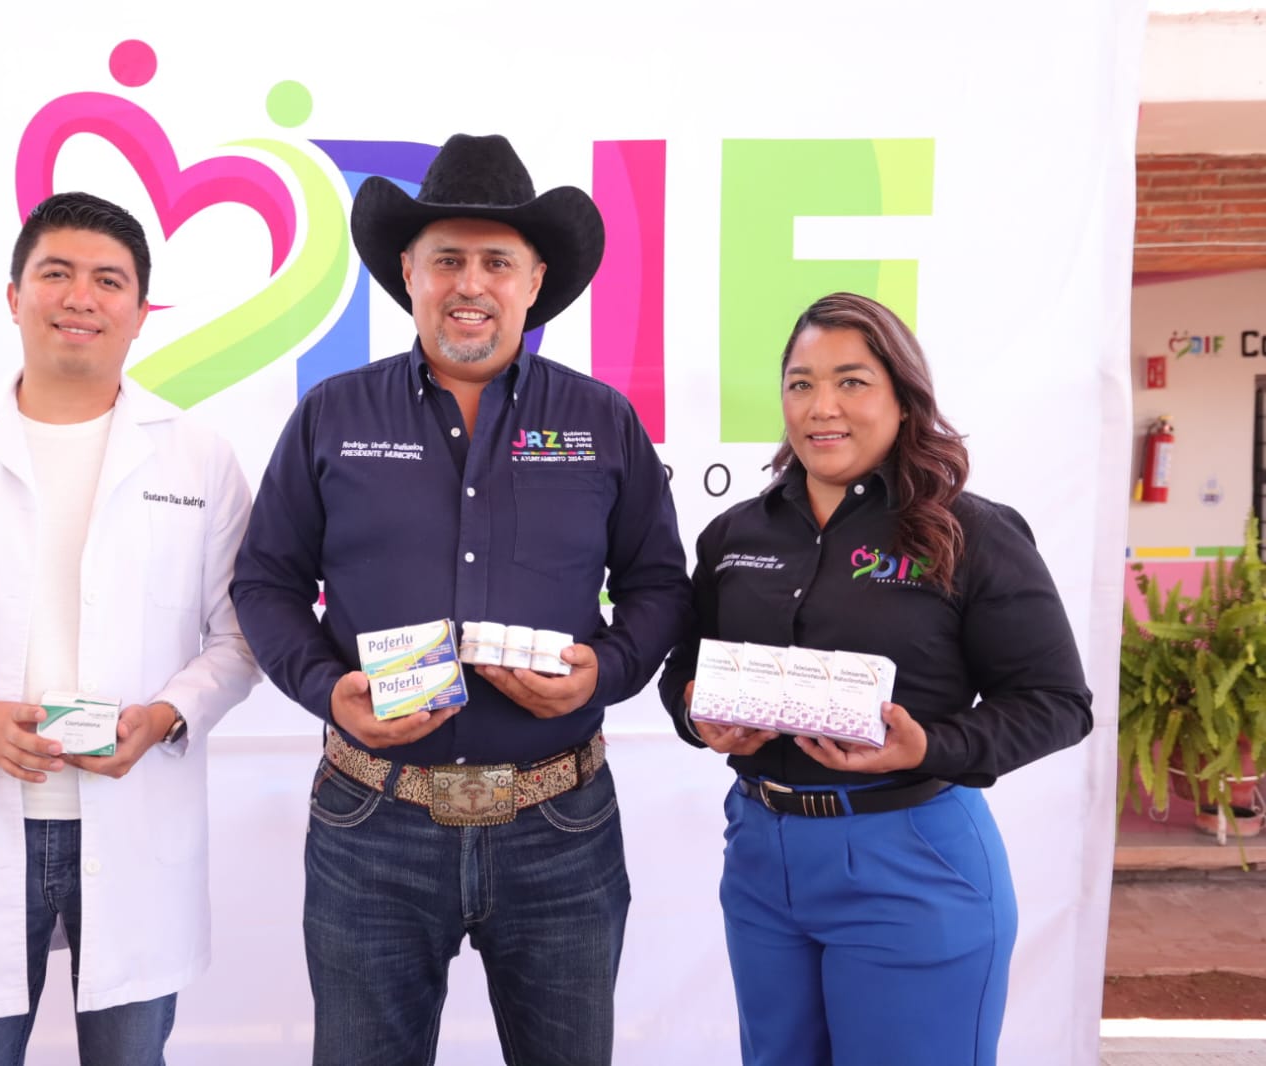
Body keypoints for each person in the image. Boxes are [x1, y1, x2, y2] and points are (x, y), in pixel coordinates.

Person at [231, 133, 691, 1066]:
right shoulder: (332, 415)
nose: (469, 284)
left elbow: (656, 583)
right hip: (372, 825)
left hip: (559, 827)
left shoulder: (600, 419)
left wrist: (603, 672)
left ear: (534, 280)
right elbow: (266, 581)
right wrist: (328, 691)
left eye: (496, 261)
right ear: (407, 273)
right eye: (446, 259)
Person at [0, 191, 259, 1065]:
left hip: (132, 819)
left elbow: (240, 637)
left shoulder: (199, 458)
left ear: (141, 312)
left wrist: (165, 716)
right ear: (13, 295)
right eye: (56, 273)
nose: (80, 297)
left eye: (109, 280)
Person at [658, 292, 1093, 1066]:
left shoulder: (969, 531)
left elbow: (1057, 704)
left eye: (851, 382)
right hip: (760, 854)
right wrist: (698, 714)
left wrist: (928, 746)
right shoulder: (734, 534)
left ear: (902, 396)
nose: (820, 406)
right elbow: (684, 670)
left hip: (909, 855)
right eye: (800, 384)